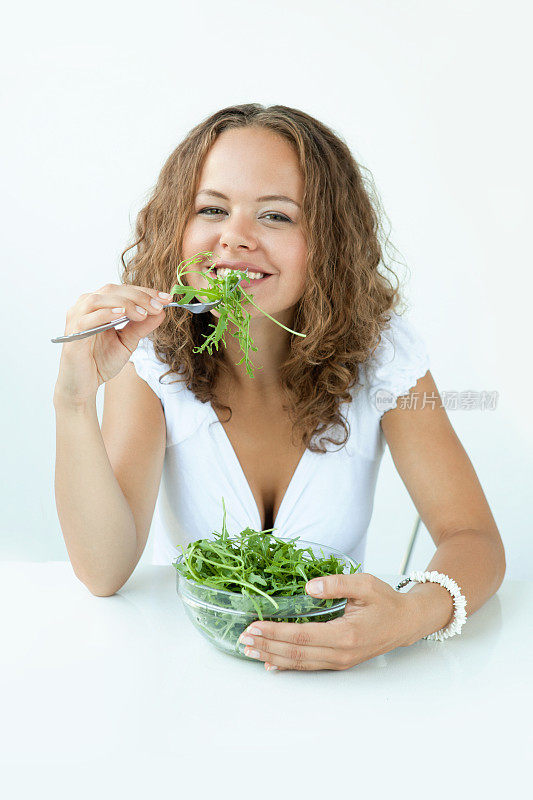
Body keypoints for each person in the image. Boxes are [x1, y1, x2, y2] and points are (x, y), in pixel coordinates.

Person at [53, 103, 506, 671]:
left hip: (346, 693)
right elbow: (103, 570)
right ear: (177, 225)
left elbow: (474, 539)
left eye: (276, 216)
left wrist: (411, 615)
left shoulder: (382, 356)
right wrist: (73, 401)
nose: (234, 238)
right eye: (211, 208)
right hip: (192, 682)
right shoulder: (150, 357)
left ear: (329, 240)